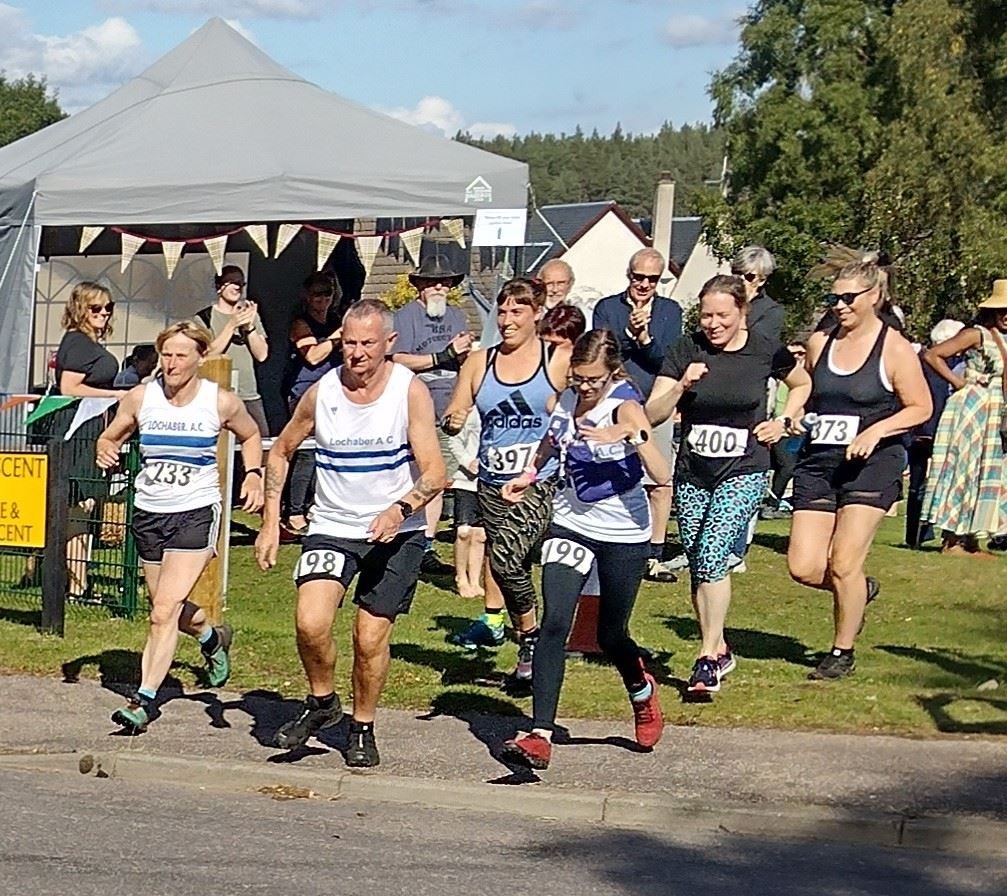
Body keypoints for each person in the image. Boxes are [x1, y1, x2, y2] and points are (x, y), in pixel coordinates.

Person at [255, 300, 446, 768]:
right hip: (334, 524)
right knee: (310, 622)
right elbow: (280, 451)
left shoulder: (408, 390)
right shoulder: (322, 393)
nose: (356, 353)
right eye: (349, 343)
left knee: (369, 636)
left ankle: (362, 726)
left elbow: (436, 471)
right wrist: (270, 522)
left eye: (367, 344)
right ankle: (323, 702)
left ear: (389, 344)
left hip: (397, 529)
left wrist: (400, 509)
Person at [500, 330, 669, 769]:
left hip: (623, 532)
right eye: (579, 379)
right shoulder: (566, 400)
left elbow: (661, 471)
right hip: (570, 522)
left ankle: (642, 691)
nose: (586, 387)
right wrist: (529, 473)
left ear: (611, 372)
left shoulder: (626, 404)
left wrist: (627, 436)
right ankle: (540, 734)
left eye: (594, 379)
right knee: (555, 621)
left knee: (610, 635)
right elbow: (550, 441)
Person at [95, 321, 264, 732]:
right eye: (166, 354)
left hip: (196, 511)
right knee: (164, 609)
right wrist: (106, 448)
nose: (171, 363)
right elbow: (111, 435)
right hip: (150, 512)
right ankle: (211, 637)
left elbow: (252, 432)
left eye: (181, 355)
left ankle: (143, 699)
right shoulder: (140, 397)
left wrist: (254, 473)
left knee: (162, 612)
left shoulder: (218, 401)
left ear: (199, 358)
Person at [648, 274, 811, 694]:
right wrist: (683, 385)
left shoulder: (763, 349)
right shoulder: (687, 349)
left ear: (742, 313)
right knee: (701, 562)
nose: (714, 324)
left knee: (715, 553)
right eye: (706, 315)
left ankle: (706, 659)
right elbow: (652, 413)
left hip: (745, 468)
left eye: (723, 315)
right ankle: (719, 646)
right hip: (694, 471)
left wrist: (785, 421)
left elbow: (802, 383)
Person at [788, 249, 931, 680]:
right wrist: (795, 414)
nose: (840, 306)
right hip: (821, 462)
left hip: (872, 464)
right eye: (835, 298)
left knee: (844, 562)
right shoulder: (820, 342)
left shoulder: (894, 348)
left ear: (875, 296)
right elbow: (807, 389)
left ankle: (841, 652)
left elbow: (920, 407)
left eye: (850, 298)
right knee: (805, 566)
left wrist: (876, 430)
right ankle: (859, 592)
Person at [442, 278, 571, 693]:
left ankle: (532, 642)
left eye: (517, 311)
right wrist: (455, 420)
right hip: (492, 483)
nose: (507, 320)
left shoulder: (556, 358)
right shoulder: (479, 362)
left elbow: (581, 405)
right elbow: (455, 412)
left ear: (537, 314)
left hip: (539, 479)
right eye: (502, 311)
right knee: (510, 565)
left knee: (505, 560)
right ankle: (531, 645)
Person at [592, 248, 683, 582]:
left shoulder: (671, 312)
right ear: (628, 275)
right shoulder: (607, 308)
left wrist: (644, 338)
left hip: (654, 406)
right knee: (615, 475)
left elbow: (668, 360)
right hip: (614, 405)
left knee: (659, 483)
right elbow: (605, 354)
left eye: (652, 279)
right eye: (638, 277)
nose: (644, 284)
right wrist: (630, 335)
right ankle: (612, 545)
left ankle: (654, 555)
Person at [391, 255, 473, 575]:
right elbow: (396, 359)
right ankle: (408, 537)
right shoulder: (405, 317)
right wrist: (442, 356)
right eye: (432, 281)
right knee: (416, 475)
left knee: (441, 479)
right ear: (419, 286)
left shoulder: (457, 317)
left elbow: (468, 363)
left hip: (452, 406)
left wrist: (466, 401)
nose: (439, 286)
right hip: (415, 406)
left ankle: (426, 542)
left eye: (445, 281)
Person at [52, 282, 130, 599]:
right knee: (78, 506)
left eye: (107, 307)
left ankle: (67, 579)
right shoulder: (79, 343)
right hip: (78, 430)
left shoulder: (87, 342)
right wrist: (115, 394)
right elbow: (69, 387)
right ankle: (78, 586)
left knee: (78, 506)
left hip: (91, 427)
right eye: (95, 308)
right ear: (79, 308)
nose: (103, 313)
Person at [922, 284, 1007, 556]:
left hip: (996, 410)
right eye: (1002, 311)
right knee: (963, 466)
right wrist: (959, 382)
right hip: (973, 407)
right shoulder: (976, 334)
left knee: (986, 469)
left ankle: (972, 539)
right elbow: (933, 354)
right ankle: (952, 539)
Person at [284, 272, 343, 535]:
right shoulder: (301, 323)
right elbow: (313, 357)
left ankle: (314, 506)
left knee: (328, 450)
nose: (323, 299)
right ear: (307, 296)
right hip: (304, 392)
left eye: (327, 293)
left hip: (334, 392)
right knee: (306, 453)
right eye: (318, 293)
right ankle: (294, 511)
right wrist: (335, 337)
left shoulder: (334, 320)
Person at [905, 319, 964, 547]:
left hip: (918, 430)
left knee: (918, 485)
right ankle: (929, 534)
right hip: (935, 430)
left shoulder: (918, 362)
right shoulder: (946, 365)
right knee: (937, 483)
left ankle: (915, 536)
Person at [196, 264, 269, 436]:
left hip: (248, 394)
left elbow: (262, 355)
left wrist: (249, 327)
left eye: (241, 282)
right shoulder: (204, 318)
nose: (238, 286)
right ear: (219, 286)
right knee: (221, 449)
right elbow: (208, 353)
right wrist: (231, 325)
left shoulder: (249, 314)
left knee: (261, 441)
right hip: (217, 394)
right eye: (232, 281)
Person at [760, 341, 808, 518]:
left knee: (796, 467)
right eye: (793, 353)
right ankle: (771, 504)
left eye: (801, 353)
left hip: (801, 431)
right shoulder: (778, 375)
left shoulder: (807, 377)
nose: (797, 357)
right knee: (786, 466)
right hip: (780, 429)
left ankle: (790, 502)